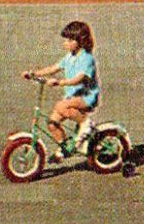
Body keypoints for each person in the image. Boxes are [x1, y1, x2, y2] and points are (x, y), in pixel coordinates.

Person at [21, 20, 99, 165]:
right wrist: (34, 74)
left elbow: (79, 78)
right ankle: (65, 148)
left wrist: (59, 82)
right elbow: (53, 68)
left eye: (70, 40)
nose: (65, 43)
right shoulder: (69, 57)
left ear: (80, 41)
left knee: (61, 106)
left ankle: (86, 123)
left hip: (86, 97)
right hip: (72, 96)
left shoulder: (86, 58)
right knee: (52, 122)